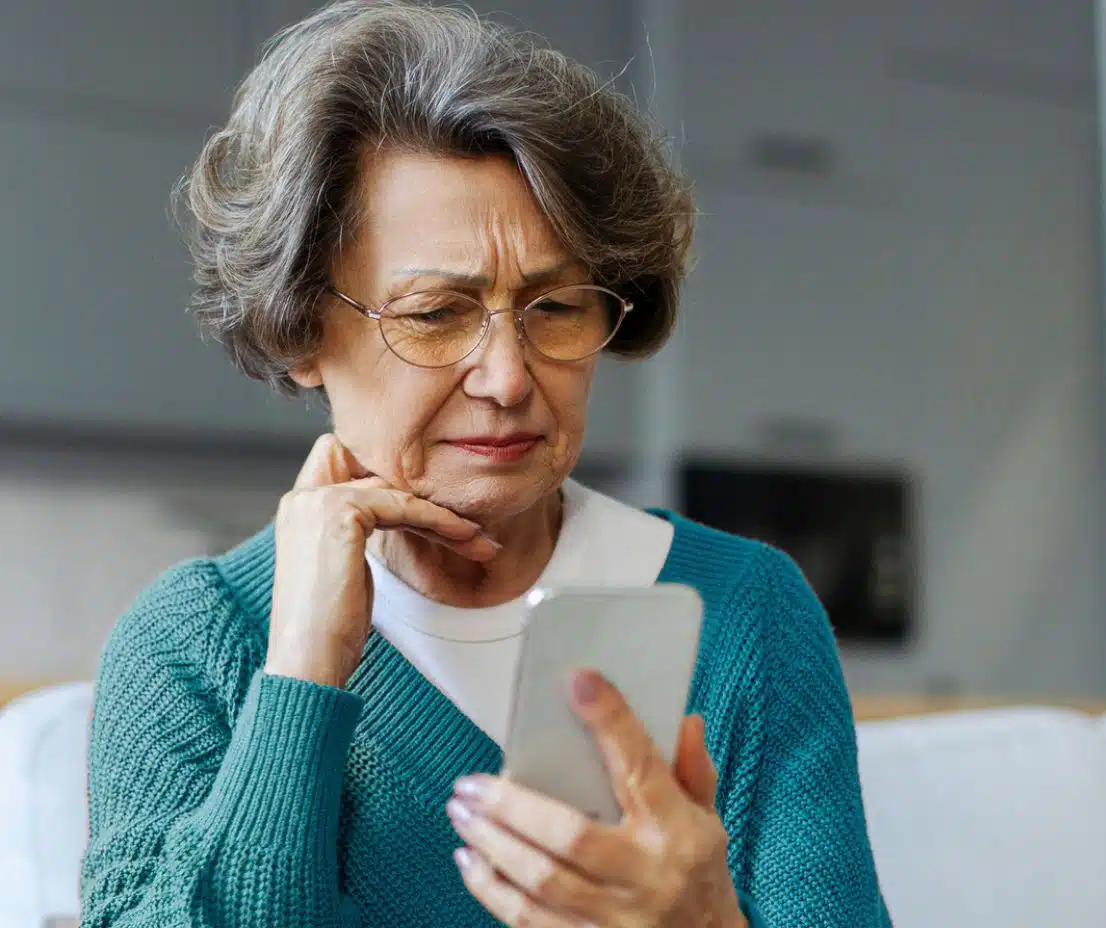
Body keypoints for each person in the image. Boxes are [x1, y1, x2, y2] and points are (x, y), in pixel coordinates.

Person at [80, 2, 890, 926]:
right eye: (434, 314)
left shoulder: (747, 617)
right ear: (299, 327)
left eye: (556, 308)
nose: (508, 378)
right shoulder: (194, 647)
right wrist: (300, 675)